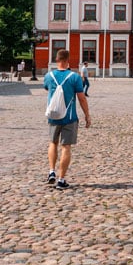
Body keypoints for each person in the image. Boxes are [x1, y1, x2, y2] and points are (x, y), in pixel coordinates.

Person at [45, 49, 91, 190]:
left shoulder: (48, 76)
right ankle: (61, 179)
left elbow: (48, 90)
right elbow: (81, 98)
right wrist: (87, 115)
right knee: (66, 147)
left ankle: (51, 171)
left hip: (53, 116)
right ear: (67, 61)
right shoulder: (74, 77)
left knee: (53, 143)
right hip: (69, 117)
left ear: (57, 60)